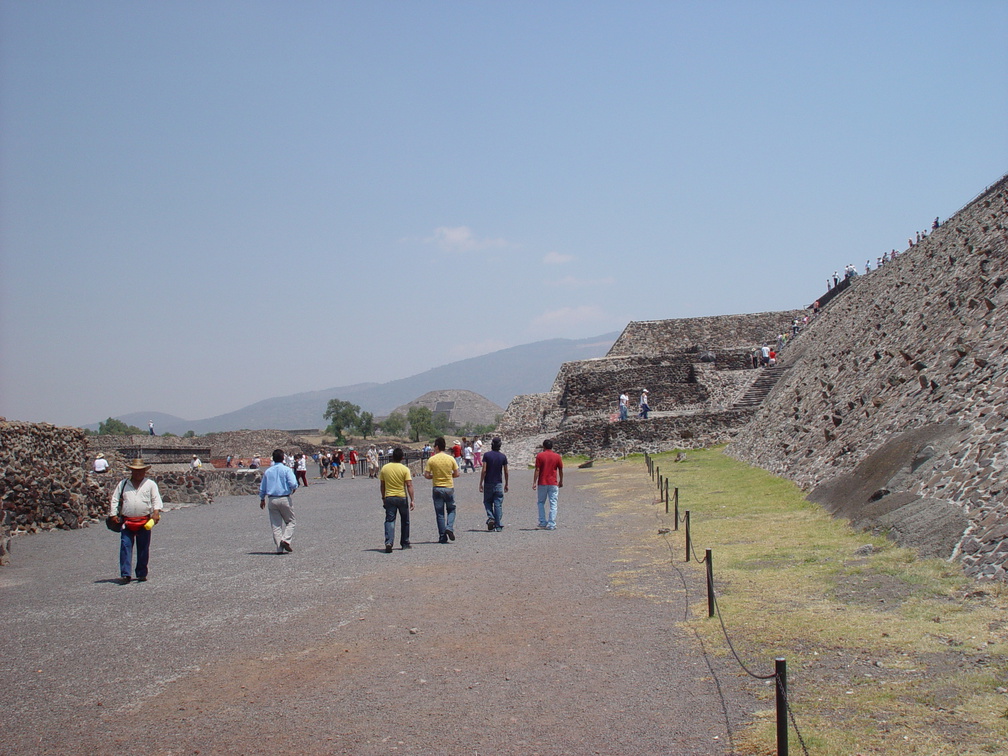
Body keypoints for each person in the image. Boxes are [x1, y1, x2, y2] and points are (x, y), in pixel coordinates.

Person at [108, 458, 163, 584]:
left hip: (144, 521)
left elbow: (156, 499)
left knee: (143, 548)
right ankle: (125, 574)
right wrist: (113, 514)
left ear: (144, 471)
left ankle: (141, 573)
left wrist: (156, 512)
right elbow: (115, 499)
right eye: (136, 471)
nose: (138, 473)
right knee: (125, 546)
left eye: (141, 471)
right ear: (131, 471)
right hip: (127, 521)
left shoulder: (150, 484)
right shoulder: (123, 484)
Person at [259, 448, 298, 554]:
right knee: (291, 521)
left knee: (276, 525)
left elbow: (263, 487)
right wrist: (293, 488)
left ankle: (279, 548)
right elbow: (293, 483)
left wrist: (262, 499)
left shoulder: (268, 471)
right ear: (282, 458)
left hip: (272, 499)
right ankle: (285, 539)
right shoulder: (286, 470)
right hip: (284, 497)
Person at [424, 436, 460, 544]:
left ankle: (442, 536)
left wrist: (434, 477)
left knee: (440, 513)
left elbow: (426, 475)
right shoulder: (450, 459)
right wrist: (448, 475)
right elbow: (457, 474)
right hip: (448, 487)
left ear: (437, 447)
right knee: (451, 509)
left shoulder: (432, 459)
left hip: (437, 487)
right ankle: (449, 526)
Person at [379, 447, 415, 552]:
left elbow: (382, 485)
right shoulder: (404, 469)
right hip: (401, 497)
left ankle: (389, 541)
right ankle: (405, 542)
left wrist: (383, 497)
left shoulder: (385, 468)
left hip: (389, 497)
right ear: (402, 458)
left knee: (390, 520)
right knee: (405, 521)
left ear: (392, 457)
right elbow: (409, 485)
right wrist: (412, 499)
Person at [479, 437, 508, 531]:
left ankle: (491, 517)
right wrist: (506, 483)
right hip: (498, 482)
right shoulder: (503, 456)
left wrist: (481, 483)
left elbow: (484, 470)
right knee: (498, 503)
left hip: (488, 482)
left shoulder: (487, 455)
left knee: (487, 501)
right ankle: (498, 525)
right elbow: (506, 471)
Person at [532, 439, 563, 530]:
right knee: (553, 503)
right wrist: (561, 480)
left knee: (541, 502)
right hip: (553, 482)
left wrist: (534, 482)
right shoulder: (557, 456)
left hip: (542, 482)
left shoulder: (540, 456)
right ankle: (552, 523)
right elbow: (560, 469)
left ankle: (542, 521)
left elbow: (537, 470)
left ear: (544, 447)